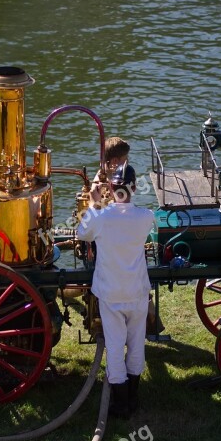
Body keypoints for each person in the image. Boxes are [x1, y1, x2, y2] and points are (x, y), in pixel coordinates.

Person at [77, 162, 154, 418]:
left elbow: (82, 233)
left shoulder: (100, 218)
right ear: (134, 188)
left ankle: (120, 406)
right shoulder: (146, 217)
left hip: (111, 294)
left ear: (111, 187)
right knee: (135, 345)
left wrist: (93, 203)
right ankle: (132, 400)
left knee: (115, 345)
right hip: (137, 291)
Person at [90, 137, 130, 208]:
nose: (127, 162)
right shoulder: (100, 182)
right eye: (126, 159)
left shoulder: (107, 174)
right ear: (115, 161)